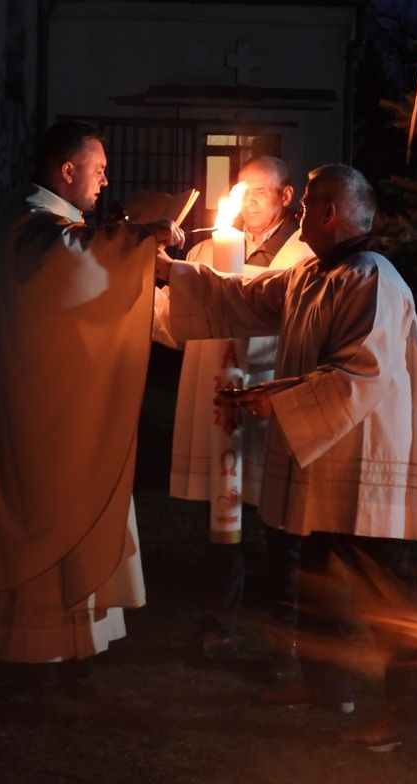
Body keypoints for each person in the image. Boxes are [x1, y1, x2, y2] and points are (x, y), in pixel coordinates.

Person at [156, 163, 417, 747]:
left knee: (385, 586)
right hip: (324, 453)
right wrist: (170, 271)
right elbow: (239, 298)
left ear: (331, 213)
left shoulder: (373, 280)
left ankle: (411, 715)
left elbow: (361, 373)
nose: (300, 213)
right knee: (316, 571)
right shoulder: (312, 273)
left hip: (363, 458)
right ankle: (326, 685)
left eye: (308, 204)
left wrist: (274, 397)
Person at [0, 121, 184, 677]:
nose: (105, 182)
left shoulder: (44, 224)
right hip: (31, 415)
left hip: (53, 402)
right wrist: (140, 239)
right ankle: (28, 646)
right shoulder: (30, 226)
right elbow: (68, 259)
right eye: (98, 170)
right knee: (43, 501)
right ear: (67, 169)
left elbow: (83, 277)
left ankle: (56, 642)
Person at [154, 156, 312, 673]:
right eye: (242, 192)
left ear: (286, 196)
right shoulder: (206, 252)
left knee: (283, 527)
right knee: (223, 523)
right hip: (219, 402)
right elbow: (174, 321)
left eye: (261, 192)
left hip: (270, 405)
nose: (248, 203)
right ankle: (217, 626)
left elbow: (280, 315)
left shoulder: (304, 256)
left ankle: (287, 639)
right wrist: (139, 285)